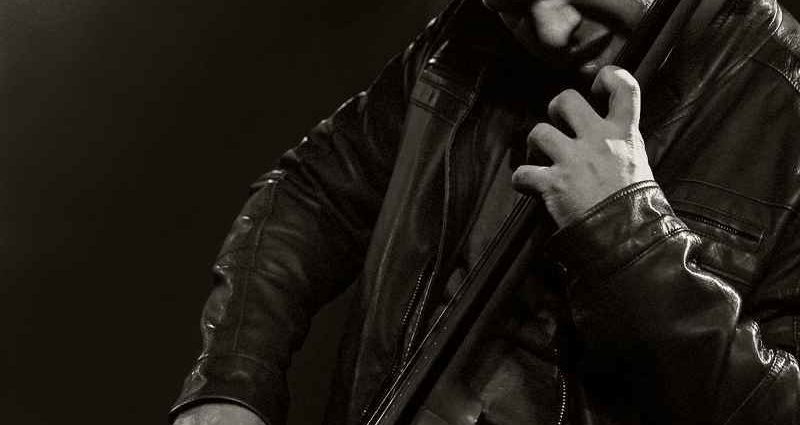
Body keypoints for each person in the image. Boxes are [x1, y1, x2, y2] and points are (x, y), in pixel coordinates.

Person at [169, 0, 800, 424]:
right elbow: (315, 191)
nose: (550, 28)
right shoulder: (467, 38)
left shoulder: (788, 109)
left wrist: (627, 233)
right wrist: (230, 382)